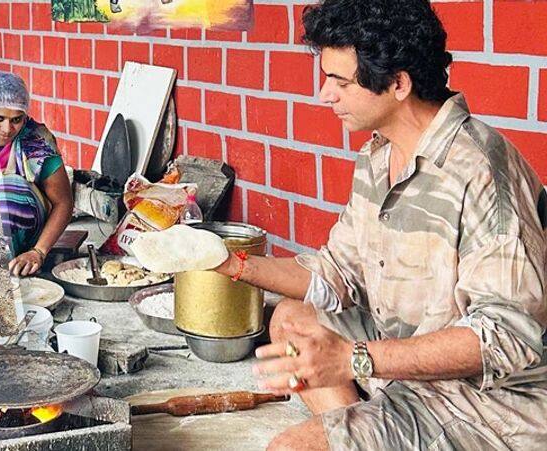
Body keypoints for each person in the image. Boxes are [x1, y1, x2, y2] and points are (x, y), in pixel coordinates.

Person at [151, 1, 547, 449]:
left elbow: (508, 339)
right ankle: (364, 432)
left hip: (485, 405)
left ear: (398, 84)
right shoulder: (379, 156)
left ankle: (367, 432)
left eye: (340, 81)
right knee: (292, 320)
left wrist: (354, 359)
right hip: (403, 365)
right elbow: (336, 276)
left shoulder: (481, 169)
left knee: (289, 447)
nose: (324, 94)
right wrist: (221, 259)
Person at [0, 70, 73, 278]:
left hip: (28, 231)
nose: (7, 128)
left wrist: (38, 252)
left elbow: (64, 203)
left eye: (16, 119)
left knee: (7, 190)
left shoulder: (37, 142)